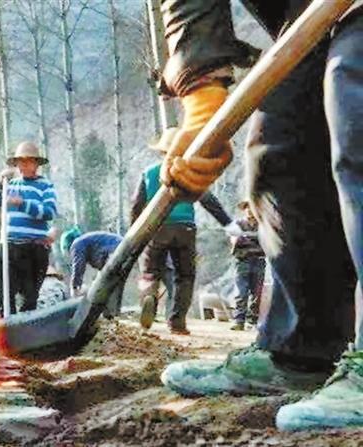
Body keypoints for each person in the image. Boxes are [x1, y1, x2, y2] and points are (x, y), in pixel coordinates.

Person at [156, 0, 362, 431]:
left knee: (356, 100)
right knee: (283, 134)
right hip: (319, 13)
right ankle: (303, 351)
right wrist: (202, 95)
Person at [130, 131, 236, 334]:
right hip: (185, 229)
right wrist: (228, 224)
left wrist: (136, 231)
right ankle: (177, 323)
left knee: (150, 272)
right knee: (185, 275)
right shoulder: (188, 173)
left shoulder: (149, 173)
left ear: (162, 151)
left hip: (157, 227)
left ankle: (149, 296)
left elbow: (136, 204)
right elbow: (208, 200)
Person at [0, 141, 58, 315]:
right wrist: (0, 184)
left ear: (36, 164)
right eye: (20, 161)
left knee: (30, 295)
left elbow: (49, 212)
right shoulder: (10, 185)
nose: (24, 165)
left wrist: (23, 204)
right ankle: (7, 324)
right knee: (4, 291)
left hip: (34, 247)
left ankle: (26, 325)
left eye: (29, 161)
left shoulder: (45, 186)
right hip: (10, 246)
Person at [230, 200, 265, 331]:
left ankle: (253, 321)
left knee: (257, 293)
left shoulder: (263, 225)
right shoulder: (238, 223)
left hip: (259, 260)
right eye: (247, 207)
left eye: (252, 207)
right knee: (241, 292)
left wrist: (246, 238)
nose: (250, 210)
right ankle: (239, 320)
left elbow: (266, 241)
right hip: (242, 261)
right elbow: (234, 240)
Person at [63, 231, 122, 299]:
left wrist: (75, 287)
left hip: (114, 251)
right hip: (117, 248)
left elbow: (78, 267)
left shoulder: (76, 245)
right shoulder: (87, 243)